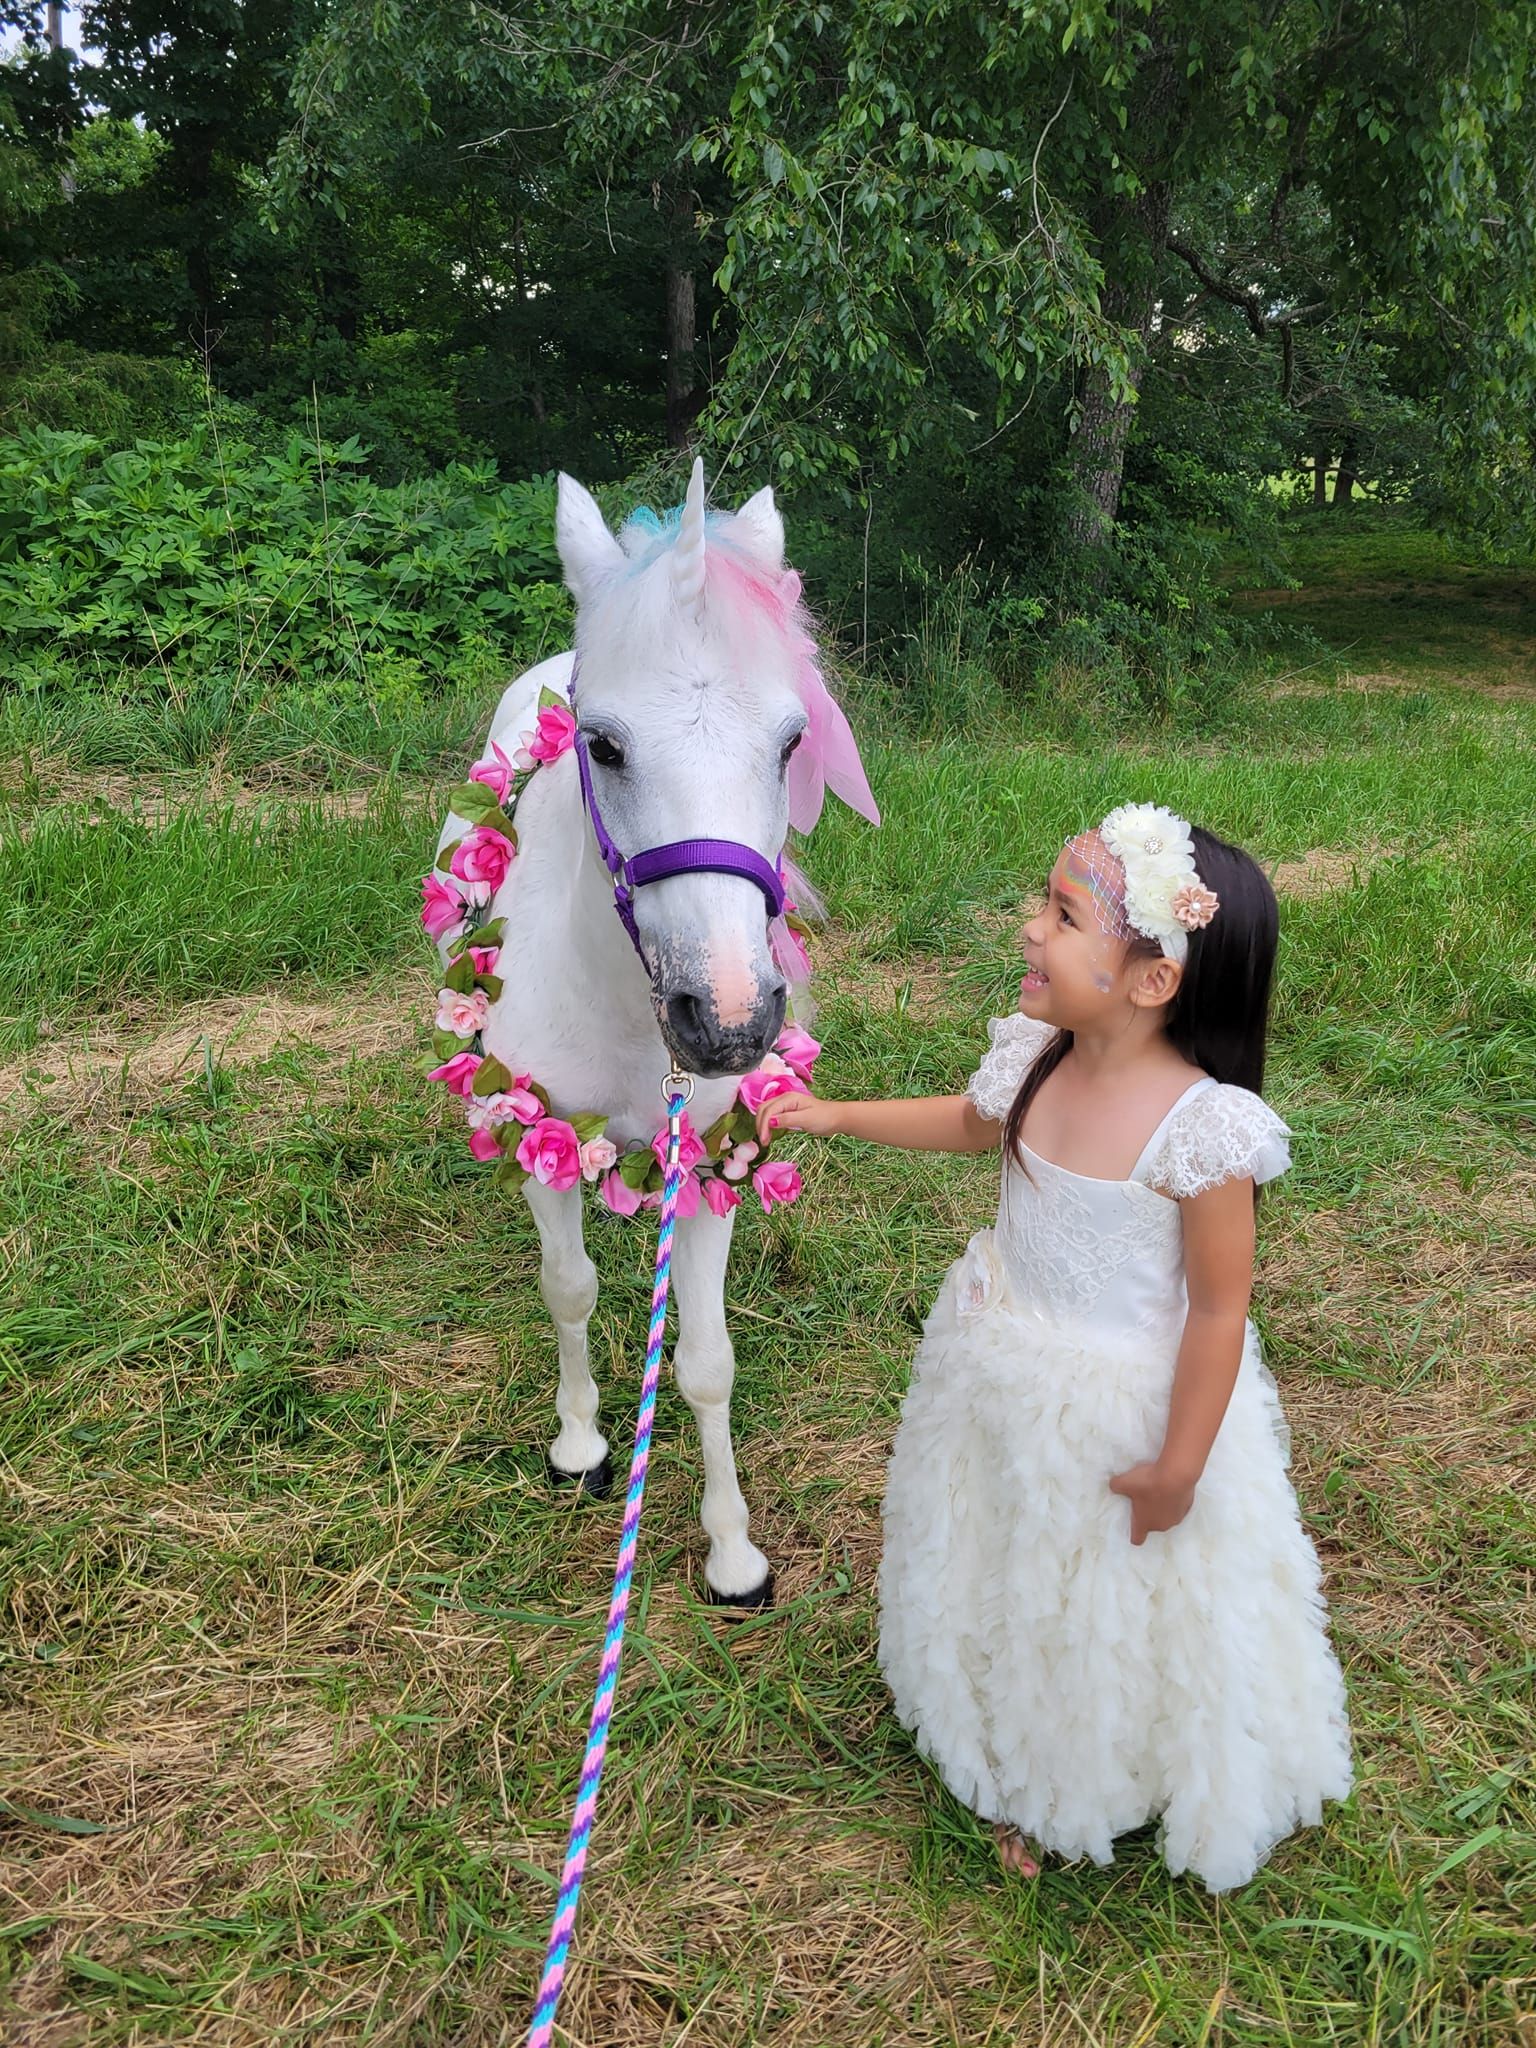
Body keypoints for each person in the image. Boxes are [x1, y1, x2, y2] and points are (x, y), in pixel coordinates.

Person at [756, 803, 1352, 1891]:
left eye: (1064, 913)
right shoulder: (1039, 1058)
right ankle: (987, 1712)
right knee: (1001, 1547)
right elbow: (974, 1124)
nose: (1030, 926)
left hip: (1119, 1409)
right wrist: (833, 1115)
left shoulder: (1201, 1129)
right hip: (1000, 1365)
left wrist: (1179, 1462)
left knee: (1096, 1596)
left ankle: (1090, 1769)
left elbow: (1220, 1311)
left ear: (1151, 979)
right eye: (1044, 898)